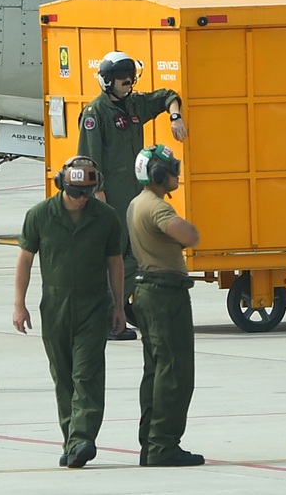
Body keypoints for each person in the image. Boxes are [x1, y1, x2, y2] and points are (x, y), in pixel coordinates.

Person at [13, 157, 125, 469]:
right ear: (63, 184)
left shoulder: (105, 217)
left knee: (86, 374)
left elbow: (115, 261)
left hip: (93, 304)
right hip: (55, 305)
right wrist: (19, 304)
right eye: (75, 191)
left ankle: (82, 438)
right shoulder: (39, 215)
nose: (80, 198)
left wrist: (118, 305)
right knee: (63, 376)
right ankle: (71, 440)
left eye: (86, 192)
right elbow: (25, 259)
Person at [77, 50, 187, 340]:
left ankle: (121, 308)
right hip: (111, 200)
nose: (128, 84)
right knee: (122, 257)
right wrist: (98, 199)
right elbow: (88, 160)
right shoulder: (95, 114)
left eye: (130, 79)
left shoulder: (134, 105)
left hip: (134, 197)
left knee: (135, 255)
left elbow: (167, 95)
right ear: (107, 81)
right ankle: (110, 316)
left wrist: (175, 116)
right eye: (123, 80)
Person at [127, 144, 204, 468]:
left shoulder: (137, 203)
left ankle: (151, 442)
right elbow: (191, 236)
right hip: (164, 294)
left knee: (157, 371)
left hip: (149, 291)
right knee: (175, 371)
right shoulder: (157, 208)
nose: (175, 172)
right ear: (158, 175)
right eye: (170, 167)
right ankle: (163, 445)